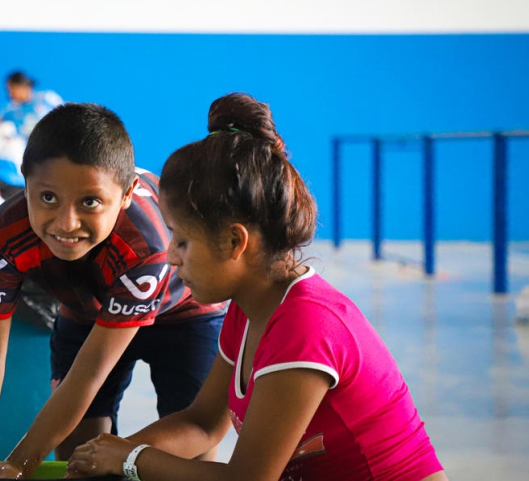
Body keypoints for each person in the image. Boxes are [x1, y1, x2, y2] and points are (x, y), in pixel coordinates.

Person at [65, 93, 448, 481]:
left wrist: (131, 461)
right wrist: (110, 452)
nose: (171, 257)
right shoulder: (249, 309)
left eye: (181, 240)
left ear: (235, 241)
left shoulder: (305, 326)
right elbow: (202, 424)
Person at [0, 103, 228, 479]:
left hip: (186, 314)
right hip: (87, 311)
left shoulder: (147, 244)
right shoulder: (4, 235)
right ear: (25, 180)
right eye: (48, 197)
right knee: (80, 458)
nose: (66, 223)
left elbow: (89, 374)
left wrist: (19, 464)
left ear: (127, 193)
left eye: (90, 202)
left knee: (190, 458)